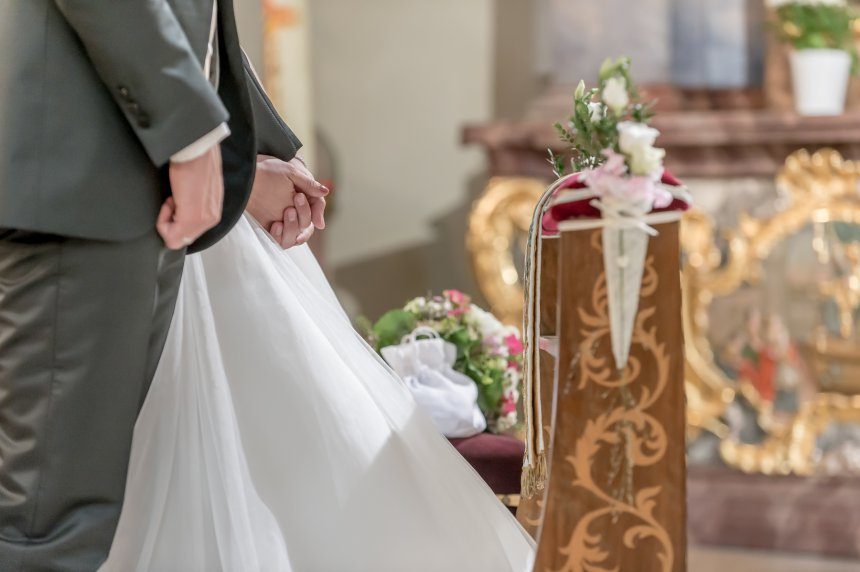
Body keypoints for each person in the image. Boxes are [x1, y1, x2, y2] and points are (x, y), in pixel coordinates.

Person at [0, 0, 324, 568]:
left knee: (71, 522)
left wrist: (243, 153)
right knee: (43, 532)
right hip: (79, 175)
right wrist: (195, 137)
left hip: (113, 179)